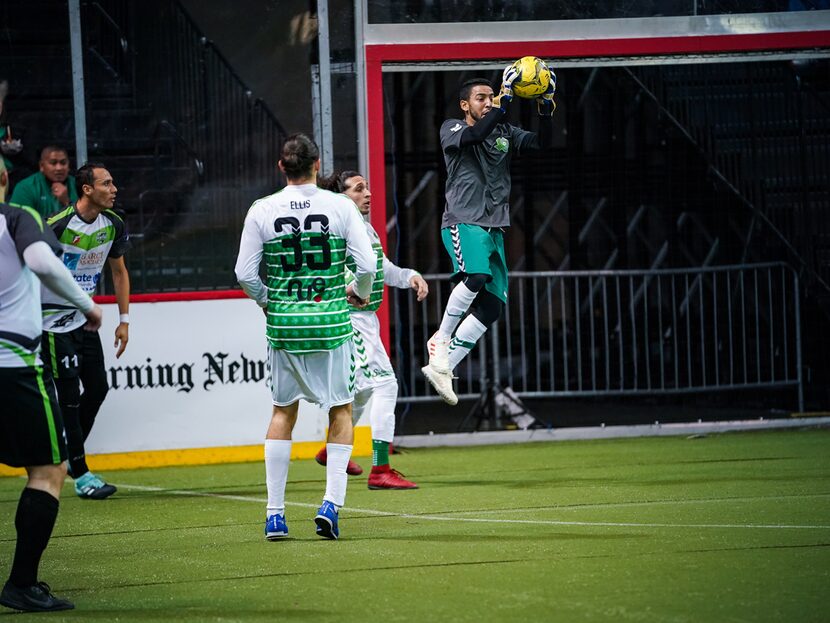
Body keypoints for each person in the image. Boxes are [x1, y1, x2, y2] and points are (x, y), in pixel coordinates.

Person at [235, 133, 377, 540]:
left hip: (285, 326)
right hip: (332, 325)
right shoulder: (339, 206)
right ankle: (331, 505)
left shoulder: (262, 209)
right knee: (341, 411)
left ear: (282, 167)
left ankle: (275, 515)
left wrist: (267, 300)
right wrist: (361, 294)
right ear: (318, 165)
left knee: (283, 412)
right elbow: (366, 263)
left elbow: (244, 274)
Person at [422, 66, 556, 405]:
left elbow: (541, 144)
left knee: (493, 308)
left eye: (490, 97)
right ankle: (441, 338)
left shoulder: (504, 131)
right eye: (480, 98)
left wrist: (546, 109)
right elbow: (475, 136)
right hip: (463, 221)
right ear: (465, 105)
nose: (487, 102)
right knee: (477, 275)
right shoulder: (452, 127)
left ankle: (444, 367)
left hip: (495, 226)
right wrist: (502, 105)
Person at [0, 202, 103, 612]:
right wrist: (86, 303)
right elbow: (42, 260)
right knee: (48, 470)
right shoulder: (16, 216)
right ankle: (21, 583)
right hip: (13, 366)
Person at [314, 170, 427, 490]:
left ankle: (332, 449)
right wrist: (348, 286)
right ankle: (381, 469)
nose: (368, 193)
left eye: (367, 186)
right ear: (342, 197)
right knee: (386, 384)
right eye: (359, 188)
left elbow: (382, 268)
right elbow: (327, 274)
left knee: (361, 391)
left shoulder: (365, 230)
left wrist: (410, 276)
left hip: (365, 319)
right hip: (351, 319)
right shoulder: (337, 232)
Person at [41, 163, 131, 500]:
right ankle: (80, 474)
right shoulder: (56, 225)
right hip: (52, 323)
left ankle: (66, 451)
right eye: (106, 183)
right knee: (68, 400)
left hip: (85, 320)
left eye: (113, 182)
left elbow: (119, 273)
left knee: (98, 387)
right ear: (87, 190)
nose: (114, 188)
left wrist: (124, 320)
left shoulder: (114, 224)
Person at [9, 146, 78, 219]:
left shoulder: (78, 185)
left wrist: (67, 202)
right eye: (53, 163)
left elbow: (86, 220)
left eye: (63, 163)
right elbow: (19, 222)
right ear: (42, 166)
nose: (59, 168)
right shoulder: (25, 187)